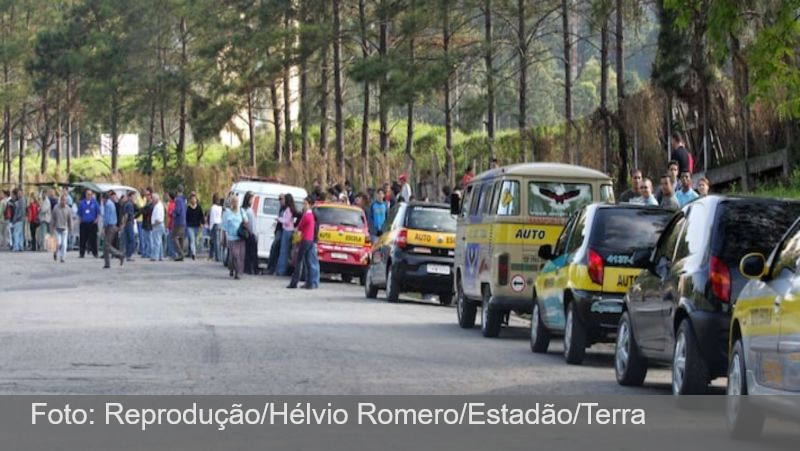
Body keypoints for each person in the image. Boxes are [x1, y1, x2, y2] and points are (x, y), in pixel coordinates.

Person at [287, 196, 317, 289]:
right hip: (310, 240)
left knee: (299, 261)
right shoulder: (311, 215)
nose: (304, 206)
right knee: (308, 261)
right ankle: (310, 283)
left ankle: (294, 282)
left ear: (310, 205)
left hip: (305, 239)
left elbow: (300, 226)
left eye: (305, 204)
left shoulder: (307, 215)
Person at [223, 195, 247, 280]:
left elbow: (246, 222)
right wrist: (223, 238)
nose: (235, 203)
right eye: (234, 201)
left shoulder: (242, 211)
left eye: (236, 201)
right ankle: (232, 268)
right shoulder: (227, 213)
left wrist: (245, 223)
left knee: (239, 256)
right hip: (231, 237)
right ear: (231, 203)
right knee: (233, 255)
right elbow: (224, 226)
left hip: (240, 237)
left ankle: (237, 272)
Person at [276, 193, 299, 276]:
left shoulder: (288, 210)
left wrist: (279, 219)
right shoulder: (290, 209)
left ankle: (281, 270)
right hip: (289, 230)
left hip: (287, 230)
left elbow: (286, 221)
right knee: (286, 251)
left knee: (284, 251)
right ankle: (281, 269)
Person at [102, 191, 125, 268]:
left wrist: (104, 227)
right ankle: (107, 263)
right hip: (113, 225)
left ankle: (120, 254)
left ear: (104, 198)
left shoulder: (108, 205)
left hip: (110, 226)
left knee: (107, 245)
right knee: (106, 246)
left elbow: (107, 217)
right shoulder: (111, 204)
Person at [266, 194, 286, 275]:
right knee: (274, 249)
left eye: (281, 199)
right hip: (278, 231)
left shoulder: (286, 209)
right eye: (279, 199)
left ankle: (273, 268)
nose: (280, 201)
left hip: (281, 231)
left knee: (275, 249)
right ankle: (271, 268)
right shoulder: (281, 208)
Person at [78, 189, 100, 258]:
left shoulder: (95, 202)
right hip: (84, 223)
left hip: (92, 223)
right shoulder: (82, 203)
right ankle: (82, 253)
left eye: (90, 194)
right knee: (82, 239)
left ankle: (95, 253)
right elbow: (79, 213)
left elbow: (98, 213)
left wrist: (97, 220)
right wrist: (81, 220)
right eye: (88, 194)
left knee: (93, 239)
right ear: (85, 195)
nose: (89, 195)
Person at [51, 193, 73, 263]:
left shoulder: (68, 209)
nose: (63, 202)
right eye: (62, 200)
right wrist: (51, 229)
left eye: (65, 200)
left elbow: (70, 220)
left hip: (64, 229)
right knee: (59, 243)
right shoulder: (56, 208)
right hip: (57, 228)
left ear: (66, 201)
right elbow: (53, 219)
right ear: (60, 200)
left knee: (64, 244)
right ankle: (55, 252)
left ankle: (62, 257)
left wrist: (71, 228)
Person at [242, 192, 259, 274]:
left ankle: (247, 268)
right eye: (252, 199)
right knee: (253, 252)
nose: (252, 201)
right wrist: (254, 234)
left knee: (247, 252)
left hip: (246, 233)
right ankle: (254, 269)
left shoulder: (243, 210)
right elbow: (252, 224)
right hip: (251, 234)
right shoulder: (249, 211)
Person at [185, 192, 204, 260]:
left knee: (195, 240)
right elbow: (186, 217)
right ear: (190, 200)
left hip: (197, 226)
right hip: (190, 226)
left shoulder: (199, 207)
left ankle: (194, 251)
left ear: (196, 199)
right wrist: (186, 224)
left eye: (194, 199)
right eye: (192, 199)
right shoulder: (188, 208)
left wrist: (202, 223)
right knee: (192, 240)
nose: (193, 200)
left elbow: (201, 216)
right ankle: (193, 253)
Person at [171, 185, 187, 261]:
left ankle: (181, 253)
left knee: (174, 238)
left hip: (178, 221)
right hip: (183, 221)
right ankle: (181, 255)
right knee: (181, 238)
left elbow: (178, 210)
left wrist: (173, 213)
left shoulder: (177, 200)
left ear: (177, 191)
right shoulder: (184, 199)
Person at [150, 193, 166, 261]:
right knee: (159, 241)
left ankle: (155, 256)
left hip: (157, 225)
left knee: (156, 241)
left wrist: (154, 224)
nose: (152, 200)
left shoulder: (158, 206)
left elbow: (158, 218)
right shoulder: (158, 205)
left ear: (156, 198)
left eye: (153, 198)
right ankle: (160, 255)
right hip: (159, 225)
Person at [122, 191, 137, 261]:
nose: (135, 198)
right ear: (130, 196)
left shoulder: (127, 204)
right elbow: (126, 215)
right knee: (132, 240)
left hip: (128, 223)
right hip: (129, 223)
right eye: (134, 196)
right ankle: (129, 255)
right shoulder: (129, 205)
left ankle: (127, 254)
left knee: (128, 240)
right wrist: (124, 223)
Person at [208, 194, 223, 262]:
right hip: (220, 224)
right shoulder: (220, 207)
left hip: (214, 224)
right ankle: (217, 256)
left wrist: (210, 227)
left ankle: (217, 257)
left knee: (215, 241)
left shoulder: (213, 207)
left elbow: (212, 218)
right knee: (218, 241)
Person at [140, 189, 153, 260]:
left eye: (148, 195)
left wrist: (143, 210)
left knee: (149, 239)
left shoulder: (151, 204)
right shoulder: (146, 203)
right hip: (144, 223)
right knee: (145, 239)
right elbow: (142, 211)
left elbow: (146, 212)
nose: (146, 196)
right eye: (146, 195)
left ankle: (149, 253)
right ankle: (145, 253)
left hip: (149, 224)